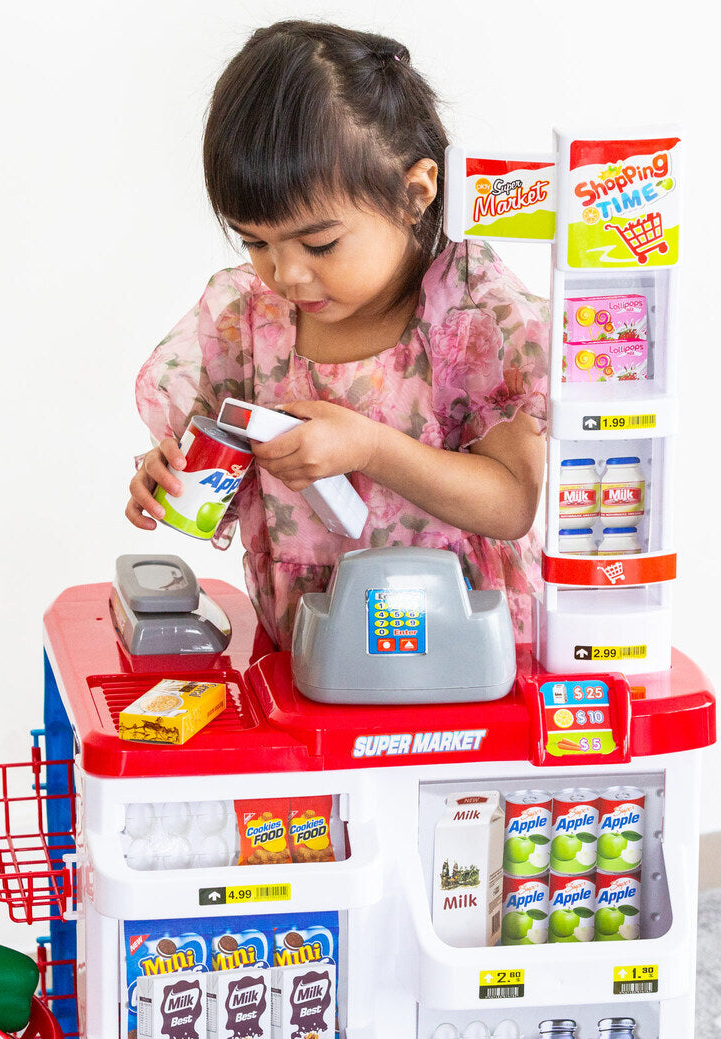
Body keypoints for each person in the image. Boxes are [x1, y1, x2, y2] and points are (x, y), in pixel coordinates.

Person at [125, 20, 550, 650]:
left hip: (459, 653)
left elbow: (512, 503)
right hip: (304, 647)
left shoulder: (472, 315)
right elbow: (219, 460)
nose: (287, 274)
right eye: (256, 242)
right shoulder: (248, 317)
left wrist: (371, 449)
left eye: (319, 243)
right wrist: (171, 473)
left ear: (414, 192)